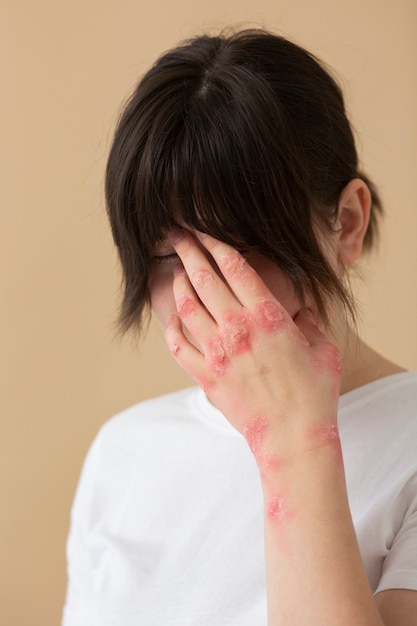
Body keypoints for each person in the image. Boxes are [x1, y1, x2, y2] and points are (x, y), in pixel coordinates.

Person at [63, 29, 417, 625]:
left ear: (348, 224)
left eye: (245, 248)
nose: (207, 292)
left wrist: (294, 441)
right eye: (169, 258)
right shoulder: (122, 452)